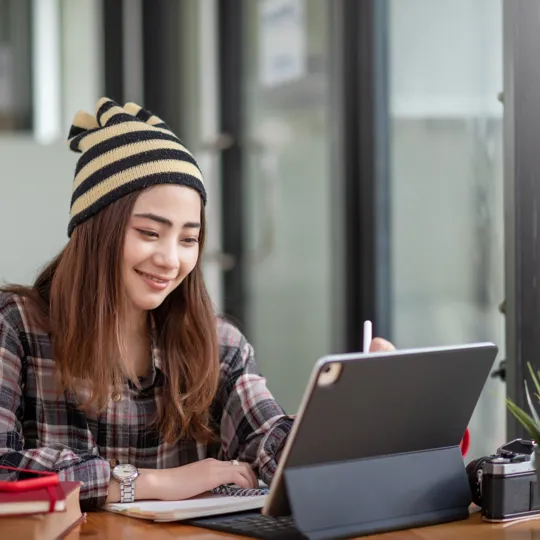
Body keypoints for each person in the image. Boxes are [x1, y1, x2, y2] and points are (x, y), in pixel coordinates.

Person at [0, 98, 395, 512]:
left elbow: (270, 441)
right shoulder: (18, 327)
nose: (171, 260)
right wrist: (155, 482)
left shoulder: (218, 343)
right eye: (150, 233)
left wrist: (354, 413)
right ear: (96, 229)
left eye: (188, 239)